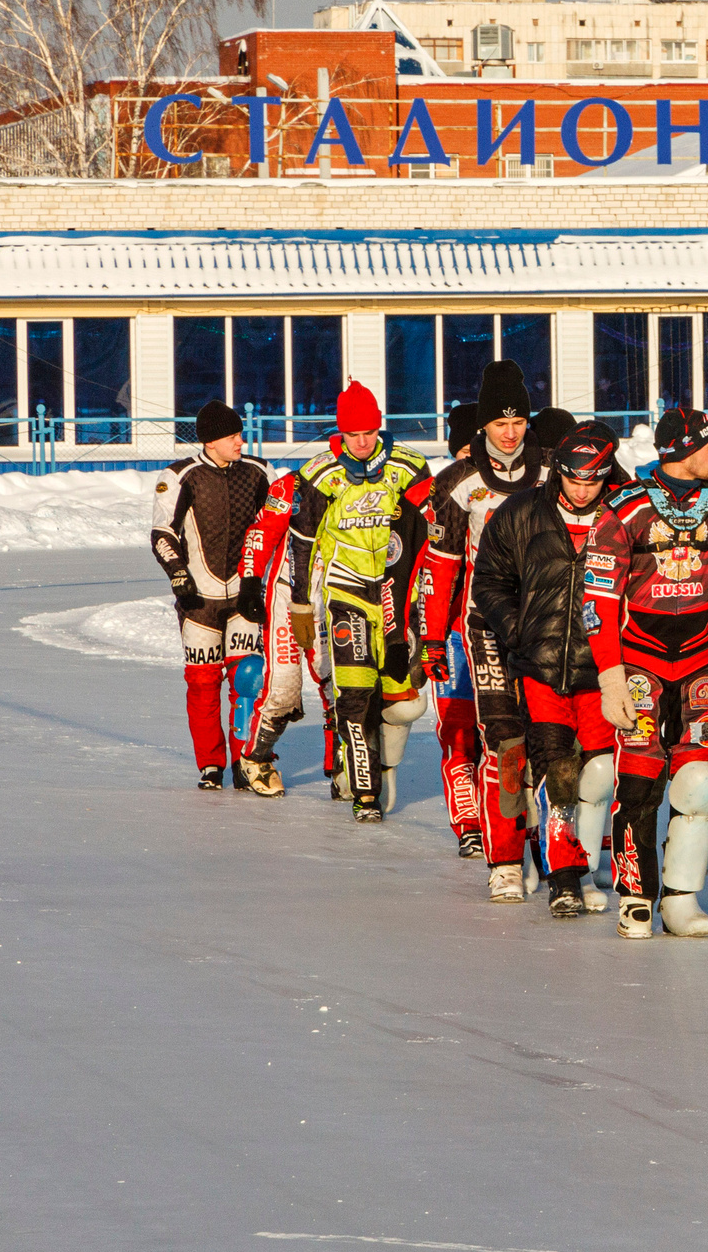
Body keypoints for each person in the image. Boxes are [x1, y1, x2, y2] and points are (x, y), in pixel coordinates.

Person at [588, 406, 708, 939]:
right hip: (640, 662)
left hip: (700, 658)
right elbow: (597, 600)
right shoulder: (624, 510)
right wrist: (610, 676)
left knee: (700, 783)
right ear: (682, 449)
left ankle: (681, 898)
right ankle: (635, 893)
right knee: (638, 780)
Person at [471, 423, 627, 919]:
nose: (582, 491)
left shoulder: (624, 517)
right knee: (555, 768)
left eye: (593, 481)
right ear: (557, 471)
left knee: (599, 774)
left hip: (602, 668)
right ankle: (563, 876)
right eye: (573, 480)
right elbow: (489, 580)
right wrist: (519, 628)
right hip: (540, 667)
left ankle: (592, 864)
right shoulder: (519, 512)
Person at [419, 359, 544, 892]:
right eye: (500, 424)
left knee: (549, 740)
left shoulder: (559, 467)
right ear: (483, 428)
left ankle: (552, 849)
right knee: (503, 740)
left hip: (548, 626)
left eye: (518, 422)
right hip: (485, 625)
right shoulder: (456, 482)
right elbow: (440, 565)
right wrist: (428, 635)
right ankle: (505, 861)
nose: (511, 433)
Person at [290, 382, 434, 822]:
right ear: (340, 432)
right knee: (354, 692)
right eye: (353, 434)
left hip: (397, 594)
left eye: (370, 431)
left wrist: (428, 600)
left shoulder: (408, 466)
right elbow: (302, 541)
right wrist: (300, 603)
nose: (363, 441)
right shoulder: (319, 473)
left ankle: (384, 764)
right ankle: (364, 791)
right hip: (345, 591)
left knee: (403, 695)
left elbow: (434, 531)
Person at [150, 399, 273, 788]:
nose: (241, 441)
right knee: (203, 683)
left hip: (244, 595)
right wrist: (179, 576)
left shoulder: (258, 471)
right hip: (198, 599)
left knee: (247, 680)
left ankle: (244, 759)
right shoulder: (178, 476)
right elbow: (162, 534)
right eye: (233, 436)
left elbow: (277, 525)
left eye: (240, 434)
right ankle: (210, 764)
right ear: (212, 440)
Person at [230, 466, 334, 797]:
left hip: (338, 596)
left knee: (341, 684)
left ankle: (341, 762)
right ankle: (255, 759)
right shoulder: (293, 484)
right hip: (287, 597)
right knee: (284, 686)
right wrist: (249, 583)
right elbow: (262, 533)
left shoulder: (369, 481)